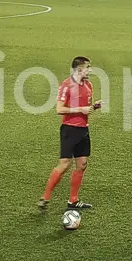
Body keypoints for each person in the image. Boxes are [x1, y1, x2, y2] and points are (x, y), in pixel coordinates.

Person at [38, 56, 101, 210]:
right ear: (79, 69)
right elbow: (59, 109)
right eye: (88, 67)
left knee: (82, 164)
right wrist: (80, 109)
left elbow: (85, 108)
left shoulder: (89, 85)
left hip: (83, 129)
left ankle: (73, 200)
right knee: (65, 164)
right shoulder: (66, 85)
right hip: (69, 129)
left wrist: (93, 107)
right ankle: (45, 198)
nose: (90, 70)